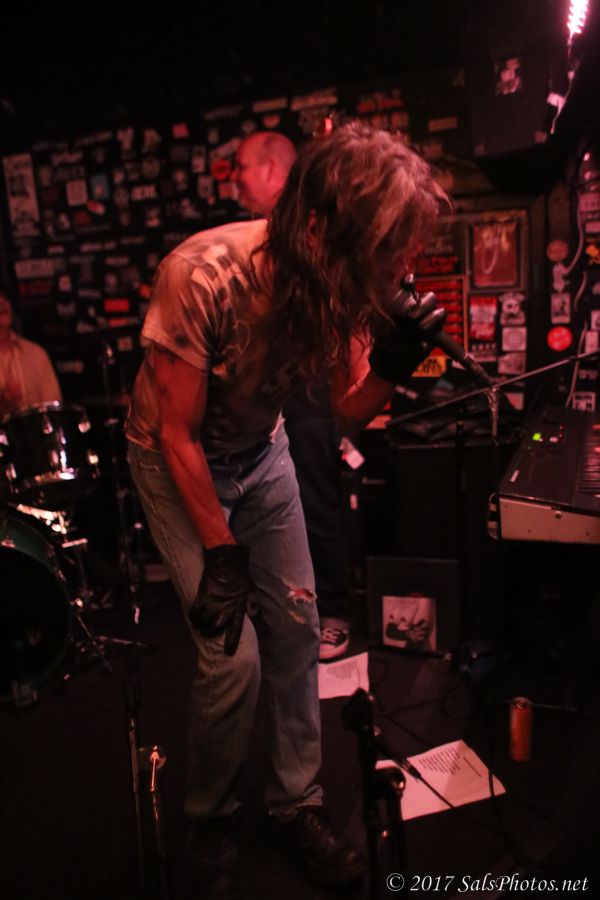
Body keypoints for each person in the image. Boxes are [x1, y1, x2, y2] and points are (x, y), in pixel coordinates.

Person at [125, 121, 447, 899]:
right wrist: (220, 549)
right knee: (232, 658)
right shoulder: (200, 275)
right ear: (318, 231)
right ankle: (208, 817)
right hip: (177, 461)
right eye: (383, 253)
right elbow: (176, 435)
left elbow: (343, 413)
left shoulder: (334, 290)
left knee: (298, 630)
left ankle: (294, 803)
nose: (394, 272)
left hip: (260, 455)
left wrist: (394, 366)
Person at [232, 130, 353, 661]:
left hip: (305, 387)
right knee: (264, 507)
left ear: (270, 170)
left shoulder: (309, 229)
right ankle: (285, 610)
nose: (234, 180)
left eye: (241, 167)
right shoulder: (245, 239)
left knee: (316, 502)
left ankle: (336, 613)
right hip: (262, 391)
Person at [0, 288, 62, 418]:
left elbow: (53, 410)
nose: (2, 302)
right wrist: (4, 404)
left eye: (5, 298)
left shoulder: (36, 354)